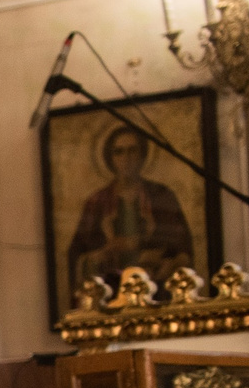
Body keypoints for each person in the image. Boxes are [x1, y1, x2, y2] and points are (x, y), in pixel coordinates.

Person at [67, 124, 193, 299]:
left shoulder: (162, 196)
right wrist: (97, 257)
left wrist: (167, 263)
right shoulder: (97, 202)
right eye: (119, 152)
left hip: (156, 295)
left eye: (132, 151)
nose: (126, 158)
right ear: (110, 158)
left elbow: (183, 250)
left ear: (142, 155)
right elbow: (77, 256)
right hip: (110, 296)